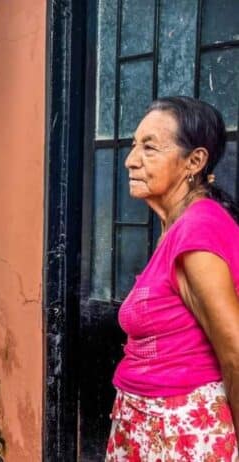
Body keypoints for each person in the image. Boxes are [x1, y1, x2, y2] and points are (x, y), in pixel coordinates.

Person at [106, 96, 239, 461]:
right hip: (151, 425)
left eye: (149, 147)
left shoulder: (198, 229)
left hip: (181, 432)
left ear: (194, 161)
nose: (131, 159)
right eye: (134, 145)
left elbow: (235, 351)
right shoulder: (178, 228)